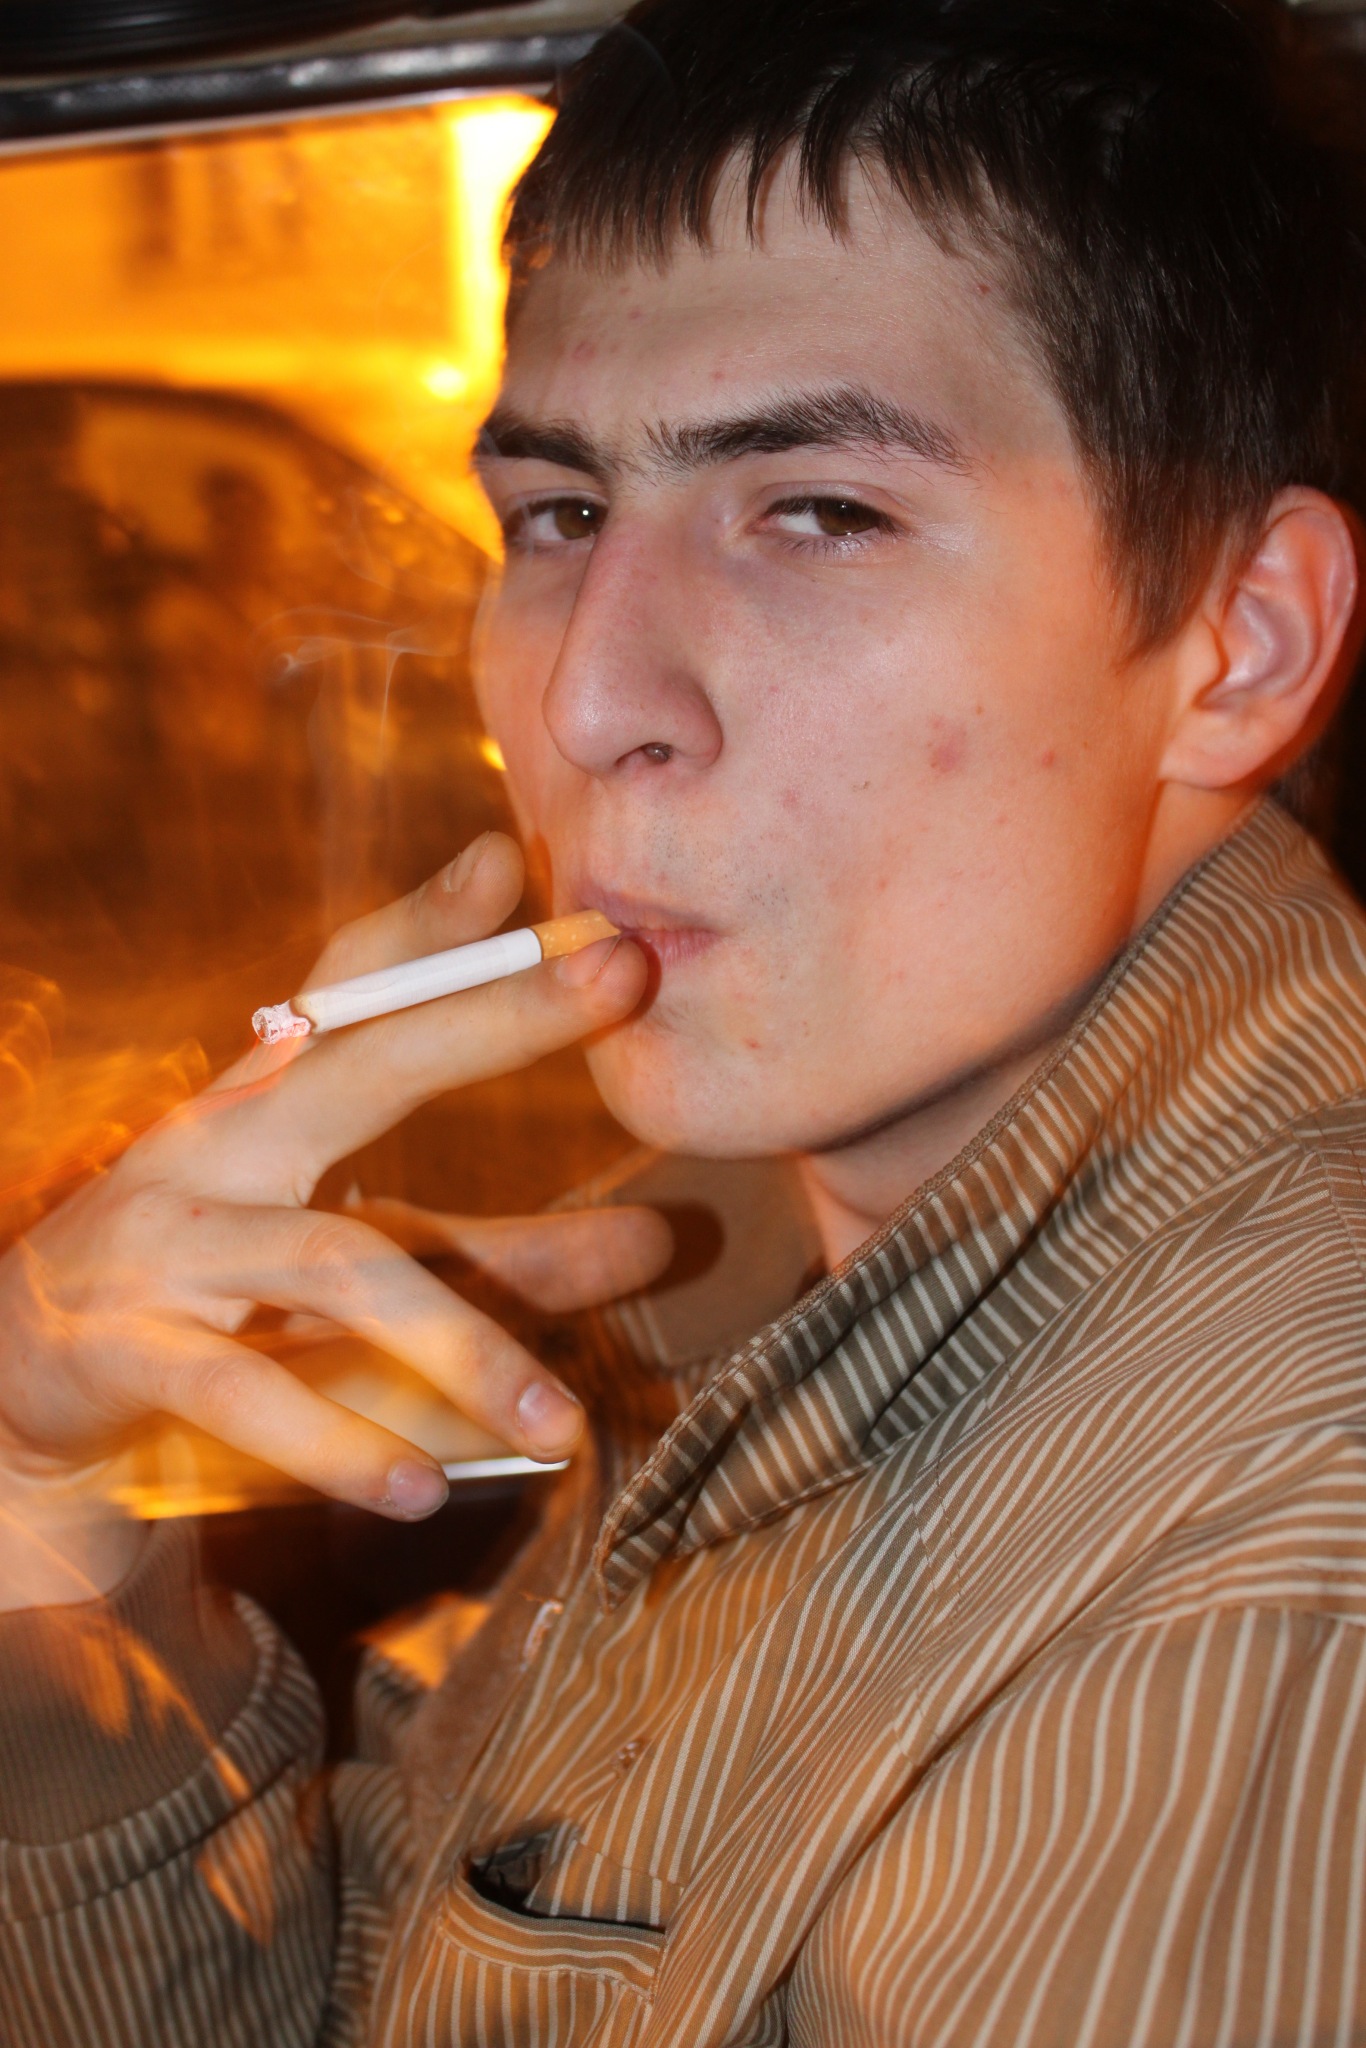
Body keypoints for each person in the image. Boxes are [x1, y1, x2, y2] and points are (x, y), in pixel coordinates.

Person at [3, 0, 1366, 2039]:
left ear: (1233, 644)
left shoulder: (1272, 1577)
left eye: (816, 511)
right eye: (557, 517)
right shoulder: (748, 1299)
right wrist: (41, 1500)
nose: (583, 702)